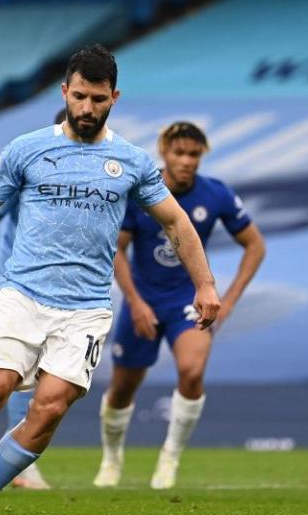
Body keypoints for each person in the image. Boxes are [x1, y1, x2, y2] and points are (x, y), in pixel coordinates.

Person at [0, 44, 221, 515]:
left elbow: (177, 223)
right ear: (65, 91)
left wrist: (204, 285)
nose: (86, 108)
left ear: (114, 98)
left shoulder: (132, 162)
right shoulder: (27, 149)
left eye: (98, 99)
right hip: (24, 296)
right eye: (79, 96)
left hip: (85, 310)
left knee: (50, 408)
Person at [93, 121, 266, 490]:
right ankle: (112, 458)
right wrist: (135, 302)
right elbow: (117, 251)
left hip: (186, 301)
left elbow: (255, 245)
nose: (186, 161)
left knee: (191, 370)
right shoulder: (140, 191)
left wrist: (230, 298)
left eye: (194, 154)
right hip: (143, 301)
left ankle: (169, 457)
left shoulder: (215, 194)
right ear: (164, 154)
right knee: (122, 389)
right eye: (179, 153)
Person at [0, 107, 67, 491]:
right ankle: (15, 462)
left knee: (46, 377)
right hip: (19, 285)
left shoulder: (92, 175)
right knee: (15, 373)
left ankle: (13, 457)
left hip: (65, 289)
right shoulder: (32, 162)